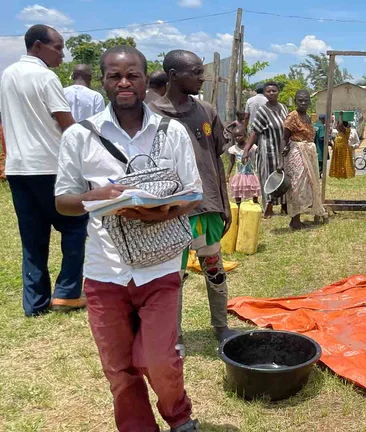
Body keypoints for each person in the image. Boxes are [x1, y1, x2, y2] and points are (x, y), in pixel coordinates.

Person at [54, 45, 202, 432]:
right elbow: (63, 201)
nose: (124, 82)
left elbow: (193, 193)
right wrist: (95, 196)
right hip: (104, 271)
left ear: (145, 79)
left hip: (160, 267)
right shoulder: (80, 136)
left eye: (132, 75)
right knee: (119, 369)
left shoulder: (172, 132)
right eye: (115, 76)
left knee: (157, 359)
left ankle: (179, 417)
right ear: (102, 81)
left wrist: (161, 211)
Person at [149, 50, 236, 354]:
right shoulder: (151, 116)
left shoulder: (206, 111)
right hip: (171, 211)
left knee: (214, 268)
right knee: (173, 277)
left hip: (207, 206)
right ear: (173, 76)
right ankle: (174, 335)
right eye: (196, 72)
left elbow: (216, 160)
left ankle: (221, 327)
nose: (202, 77)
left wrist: (224, 202)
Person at [0, 24, 88, 316]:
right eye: (58, 47)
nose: (62, 54)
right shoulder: (46, 77)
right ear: (38, 46)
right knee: (75, 225)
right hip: (50, 165)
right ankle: (67, 293)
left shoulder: (8, 75)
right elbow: (67, 125)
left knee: (32, 237)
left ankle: (35, 303)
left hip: (18, 168)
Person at [282, 90, 327, 230]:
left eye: (306, 100)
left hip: (308, 153)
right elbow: (284, 138)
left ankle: (298, 218)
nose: (303, 103)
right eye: (300, 100)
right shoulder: (292, 116)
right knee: (297, 185)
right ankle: (294, 220)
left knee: (307, 185)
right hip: (297, 153)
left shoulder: (307, 117)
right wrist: (280, 159)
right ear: (295, 101)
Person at [242, 82, 288, 218]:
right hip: (268, 151)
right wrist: (246, 150)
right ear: (265, 93)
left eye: (274, 91)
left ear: (278, 92)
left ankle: (285, 206)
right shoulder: (262, 111)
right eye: (269, 91)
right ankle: (268, 208)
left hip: (283, 150)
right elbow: (254, 132)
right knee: (269, 178)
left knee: (284, 176)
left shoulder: (283, 108)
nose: (272, 93)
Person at [227, 123, 260, 206]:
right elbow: (231, 161)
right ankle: (238, 205)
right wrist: (228, 173)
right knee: (238, 189)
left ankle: (255, 203)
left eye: (240, 135)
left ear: (245, 135)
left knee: (254, 188)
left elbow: (258, 157)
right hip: (239, 173)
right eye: (235, 136)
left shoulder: (252, 147)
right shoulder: (233, 149)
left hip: (251, 173)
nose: (237, 138)